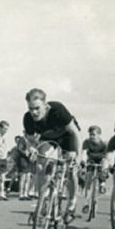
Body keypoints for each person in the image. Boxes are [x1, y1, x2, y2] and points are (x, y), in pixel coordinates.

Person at [23, 88, 80, 218]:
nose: (34, 112)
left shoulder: (58, 110)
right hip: (49, 138)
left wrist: (78, 157)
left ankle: (72, 201)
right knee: (41, 165)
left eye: (37, 108)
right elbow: (31, 141)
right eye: (31, 108)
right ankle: (43, 199)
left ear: (45, 105)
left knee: (72, 170)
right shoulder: (28, 118)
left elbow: (75, 133)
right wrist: (32, 148)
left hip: (67, 136)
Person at [80, 125, 108, 211]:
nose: (91, 136)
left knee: (104, 163)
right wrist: (83, 161)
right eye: (90, 134)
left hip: (101, 160)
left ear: (99, 135)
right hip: (91, 160)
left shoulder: (104, 144)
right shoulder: (86, 142)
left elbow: (107, 156)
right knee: (88, 181)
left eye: (94, 134)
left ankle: (102, 183)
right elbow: (84, 153)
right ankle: (86, 203)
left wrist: (106, 164)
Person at [15, 134, 33, 200]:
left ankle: (25, 193)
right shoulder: (22, 139)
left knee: (28, 177)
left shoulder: (30, 140)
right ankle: (21, 194)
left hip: (29, 160)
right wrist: (25, 153)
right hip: (22, 160)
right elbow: (19, 148)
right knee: (23, 177)